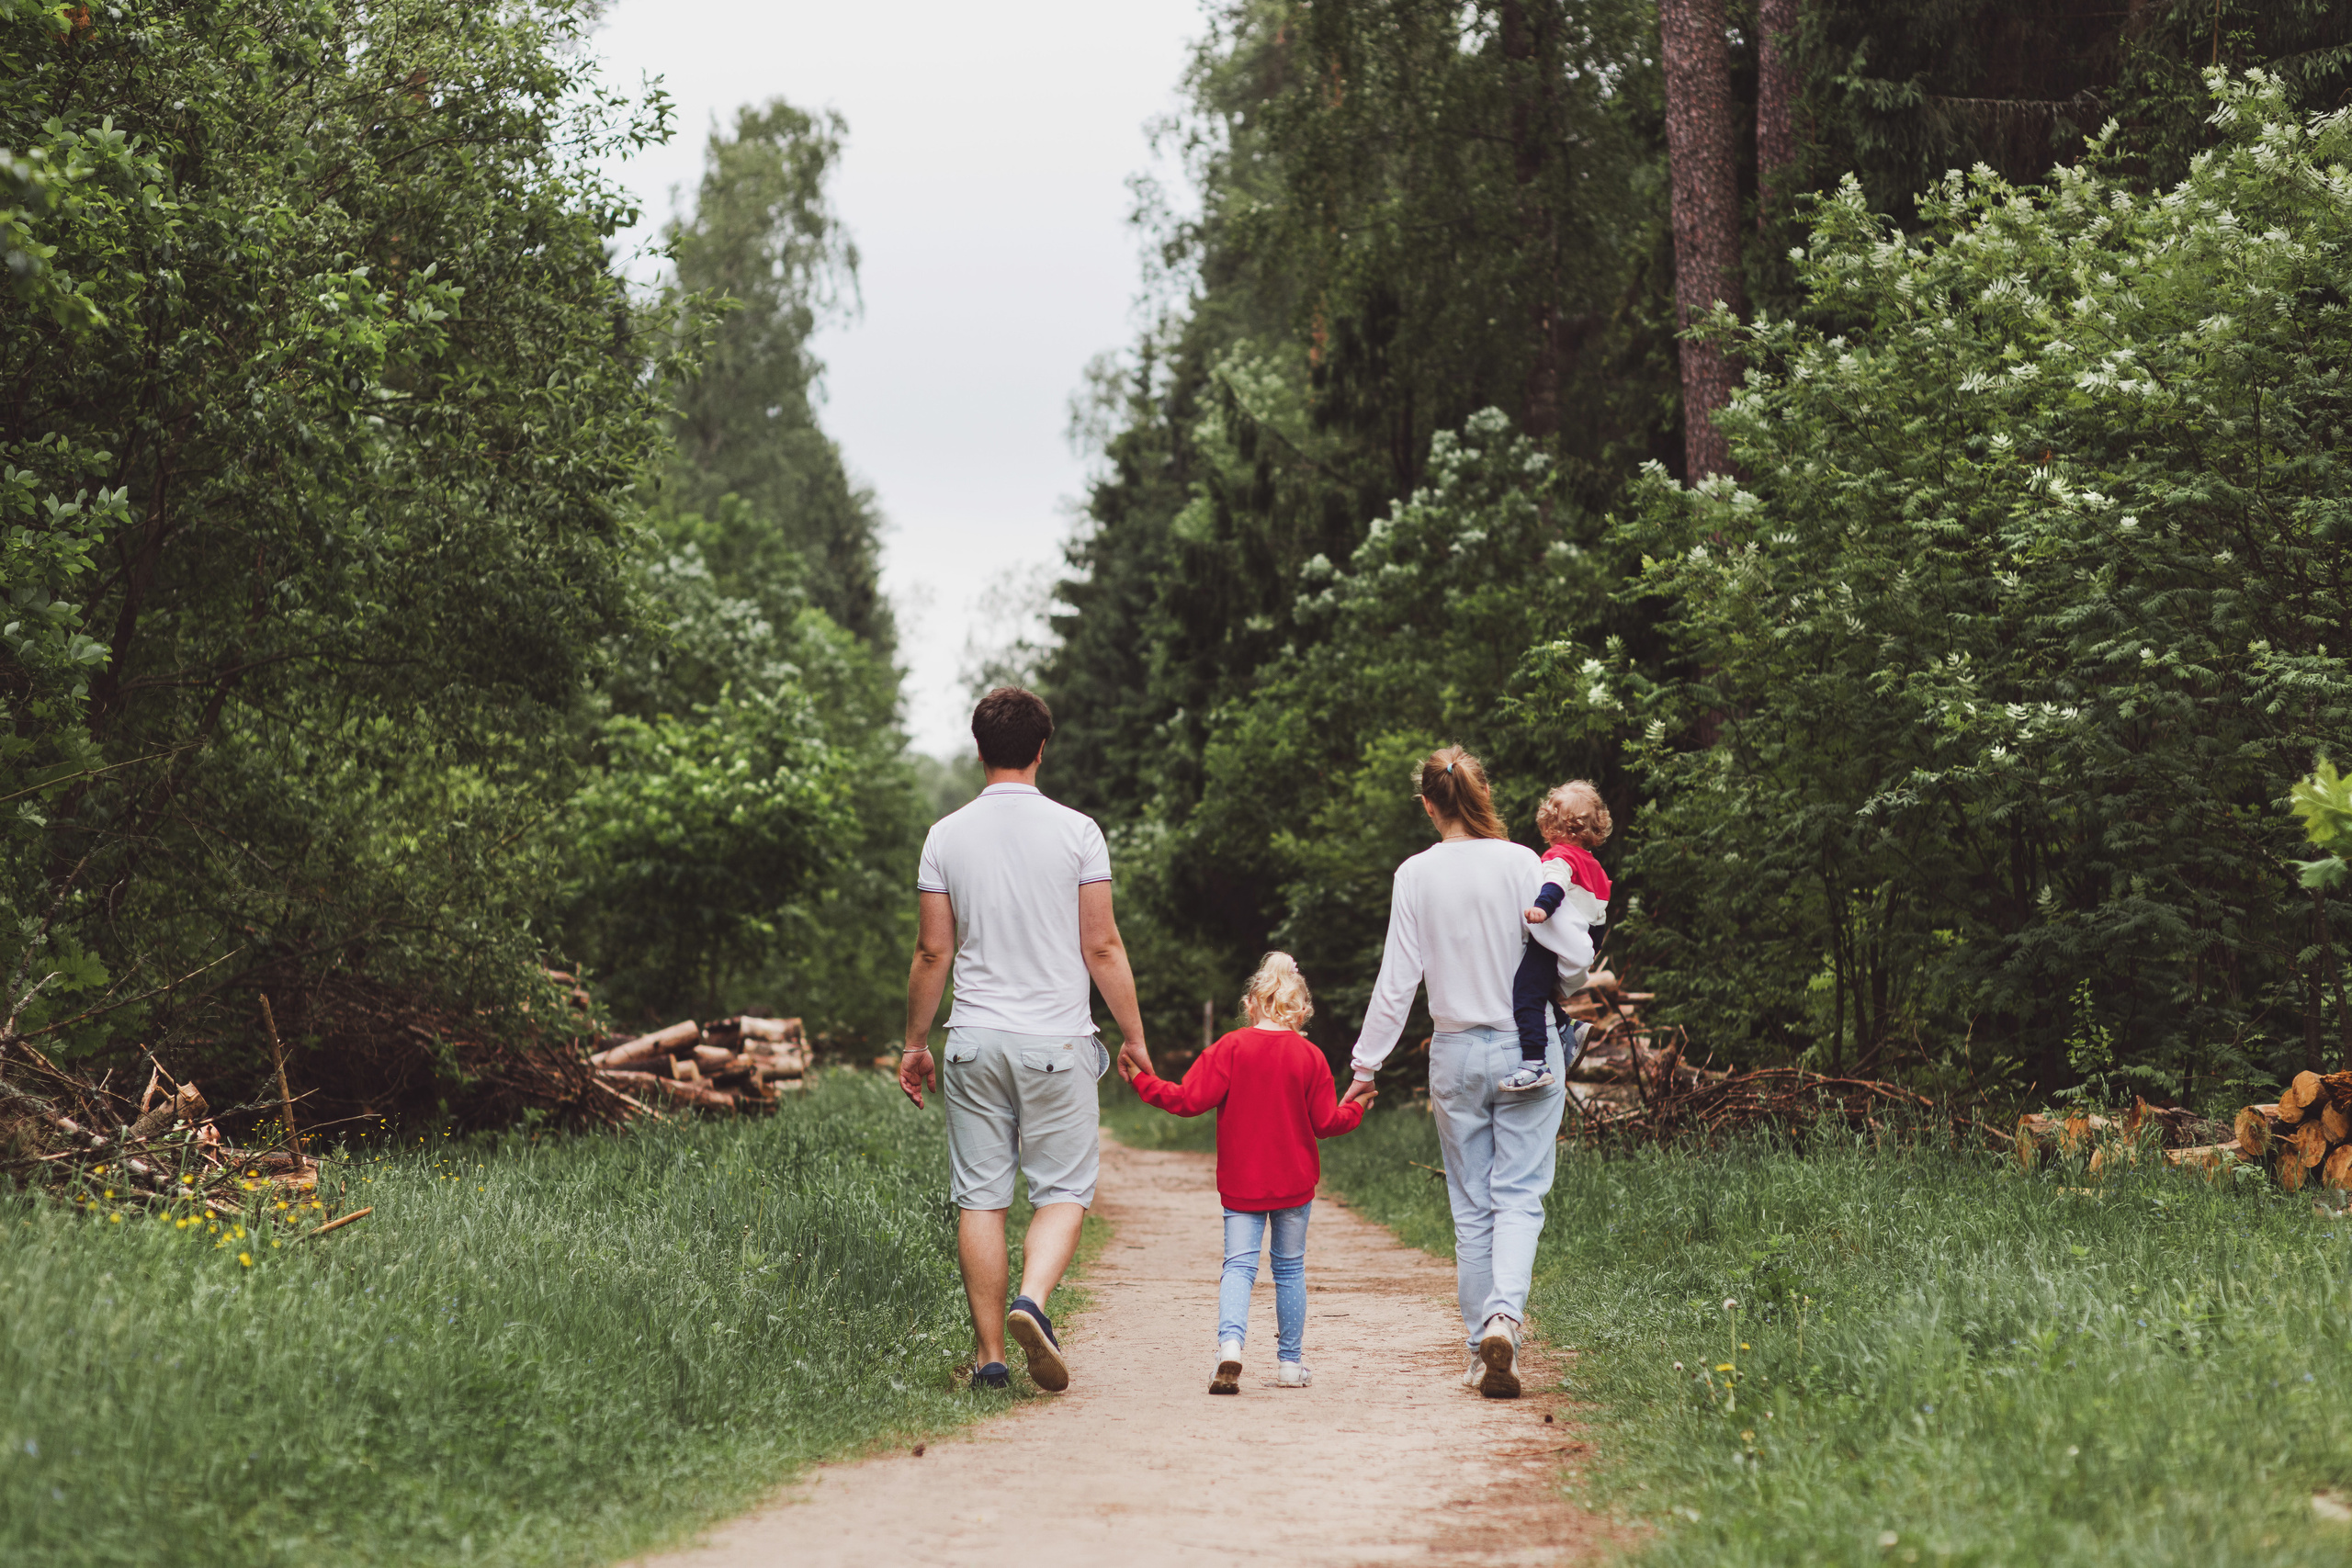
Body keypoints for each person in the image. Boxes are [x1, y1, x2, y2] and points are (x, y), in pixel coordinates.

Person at [899, 686, 1151, 1393]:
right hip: (1056, 1042)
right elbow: (1100, 945)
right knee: (1064, 1188)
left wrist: (915, 1042)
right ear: (1043, 749)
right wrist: (1133, 1036)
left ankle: (989, 1359)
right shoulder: (1078, 832)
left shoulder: (945, 834)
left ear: (980, 750)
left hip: (973, 1041)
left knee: (981, 1198)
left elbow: (930, 953)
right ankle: (1032, 1301)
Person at [1339, 746, 1571, 1398]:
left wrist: (1365, 1065)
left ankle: (1479, 1348)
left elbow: (1397, 981)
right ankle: (1506, 1318)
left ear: (1428, 804)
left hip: (1457, 1052)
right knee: (1519, 1195)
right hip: (1528, 1047)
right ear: (1480, 793)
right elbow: (1562, 948)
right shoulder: (1525, 861)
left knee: (1472, 1209)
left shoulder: (1415, 874)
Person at [1121, 952, 1370, 1394]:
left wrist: (1141, 1080)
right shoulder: (1310, 1057)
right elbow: (1326, 1123)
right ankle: (1290, 1366)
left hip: (1241, 1186)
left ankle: (1230, 1349)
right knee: (1290, 1270)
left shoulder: (1229, 1049)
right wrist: (1356, 1107)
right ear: (1298, 1007)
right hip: (1294, 1185)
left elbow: (1186, 1101)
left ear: (1252, 1002)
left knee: (1238, 1268)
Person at [1503, 781, 1614, 1091]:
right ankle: (1567, 1027)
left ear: (1552, 825)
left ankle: (1535, 1064)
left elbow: (1554, 883)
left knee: (1525, 995)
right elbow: (1599, 915)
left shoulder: (1560, 856)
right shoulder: (1594, 866)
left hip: (1556, 941)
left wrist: (1542, 908)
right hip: (1588, 939)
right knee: (1541, 992)